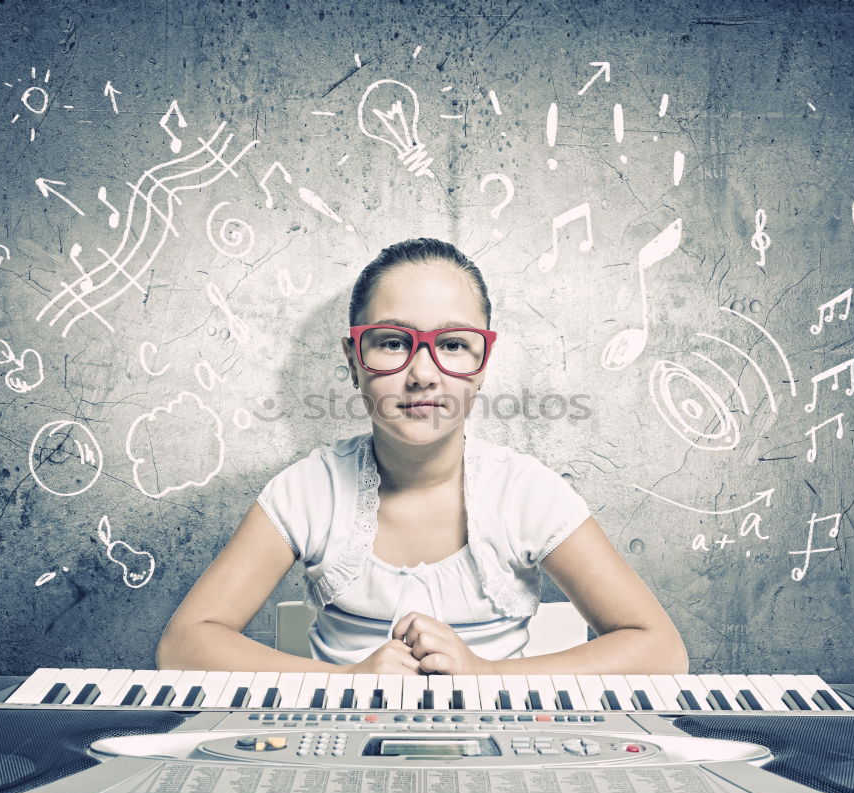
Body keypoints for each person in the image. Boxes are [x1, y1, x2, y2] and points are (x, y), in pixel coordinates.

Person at [157, 238, 688, 677]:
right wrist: (348, 679)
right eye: (392, 342)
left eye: (454, 345)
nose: (423, 374)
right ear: (353, 360)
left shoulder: (525, 493)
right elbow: (183, 646)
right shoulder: (308, 490)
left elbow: (660, 651)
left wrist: (485, 673)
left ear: (483, 364)